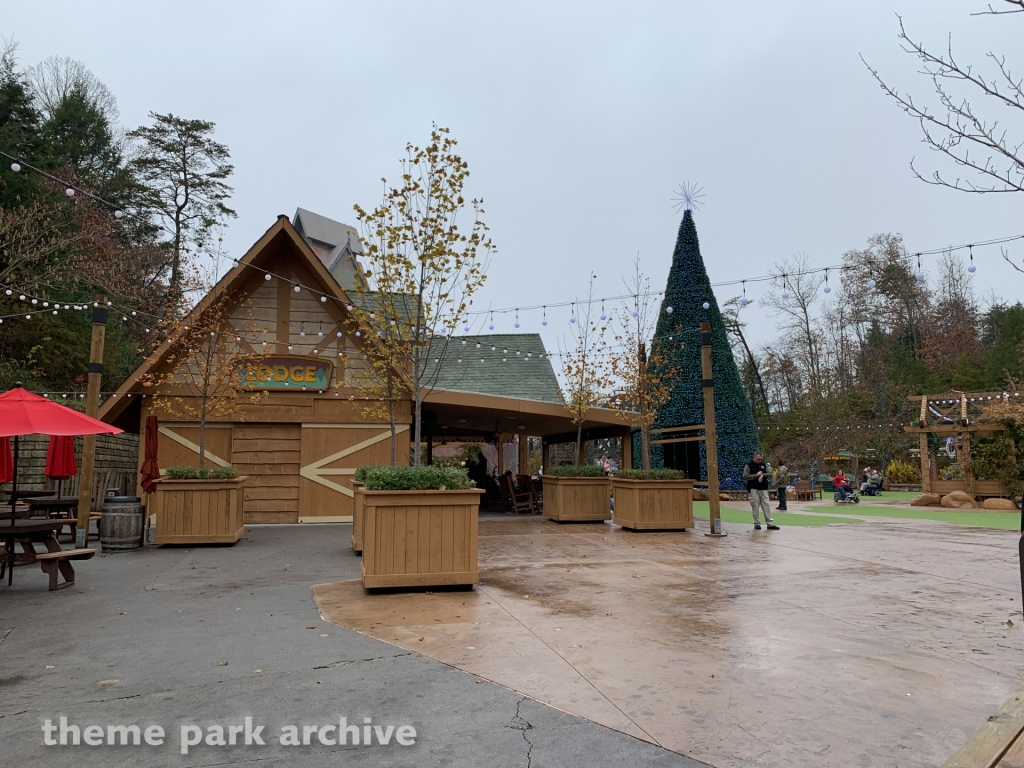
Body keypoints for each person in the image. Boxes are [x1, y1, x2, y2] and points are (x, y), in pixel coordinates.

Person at [743, 451, 780, 530]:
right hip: (753, 488)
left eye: (761, 459)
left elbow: (770, 474)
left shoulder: (764, 465)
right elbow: (745, 476)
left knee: (766, 505)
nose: (760, 461)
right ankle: (756, 523)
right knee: (755, 505)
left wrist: (763, 474)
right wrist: (756, 475)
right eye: (758, 459)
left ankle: (770, 523)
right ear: (754, 457)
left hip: (763, 488)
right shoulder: (748, 465)